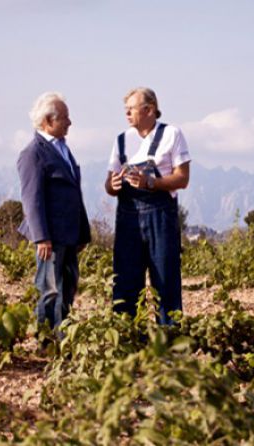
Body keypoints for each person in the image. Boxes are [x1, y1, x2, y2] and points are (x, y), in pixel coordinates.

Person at [104, 87, 191, 325]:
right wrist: (112, 184)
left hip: (160, 217)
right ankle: (129, 342)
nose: (127, 114)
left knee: (165, 280)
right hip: (127, 218)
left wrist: (150, 182)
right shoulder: (121, 139)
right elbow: (109, 185)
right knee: (125, 282)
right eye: (126, 110)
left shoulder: (172, 134)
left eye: (131, 109)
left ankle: (170, 344)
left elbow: (182, 178)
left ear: (149, 109)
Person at [18, 92, 91, 331]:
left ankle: (62, 337)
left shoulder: (63, 149)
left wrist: (82, 233)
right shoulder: (33, 153)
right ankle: (46, 341)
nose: (69, 122)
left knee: (68, 287)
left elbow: (73, 193)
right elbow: (32, 198)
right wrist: (41, 237)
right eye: (65, 118)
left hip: (69, 235)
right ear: (48, 121)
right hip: (51, 236)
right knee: (49, 289)